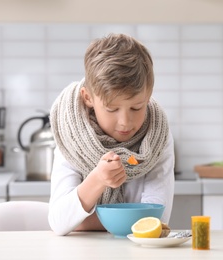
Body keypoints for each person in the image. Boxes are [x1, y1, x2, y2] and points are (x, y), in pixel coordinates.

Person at [48, 33, 175, 236]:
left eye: (136, 107)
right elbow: (60, 221)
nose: (125, 122)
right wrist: (97, 180)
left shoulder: (156, 136)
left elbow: (155, 220)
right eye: (111, 109)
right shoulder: (71, 134)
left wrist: (82, 220)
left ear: (148, 95)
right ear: (88, 97)